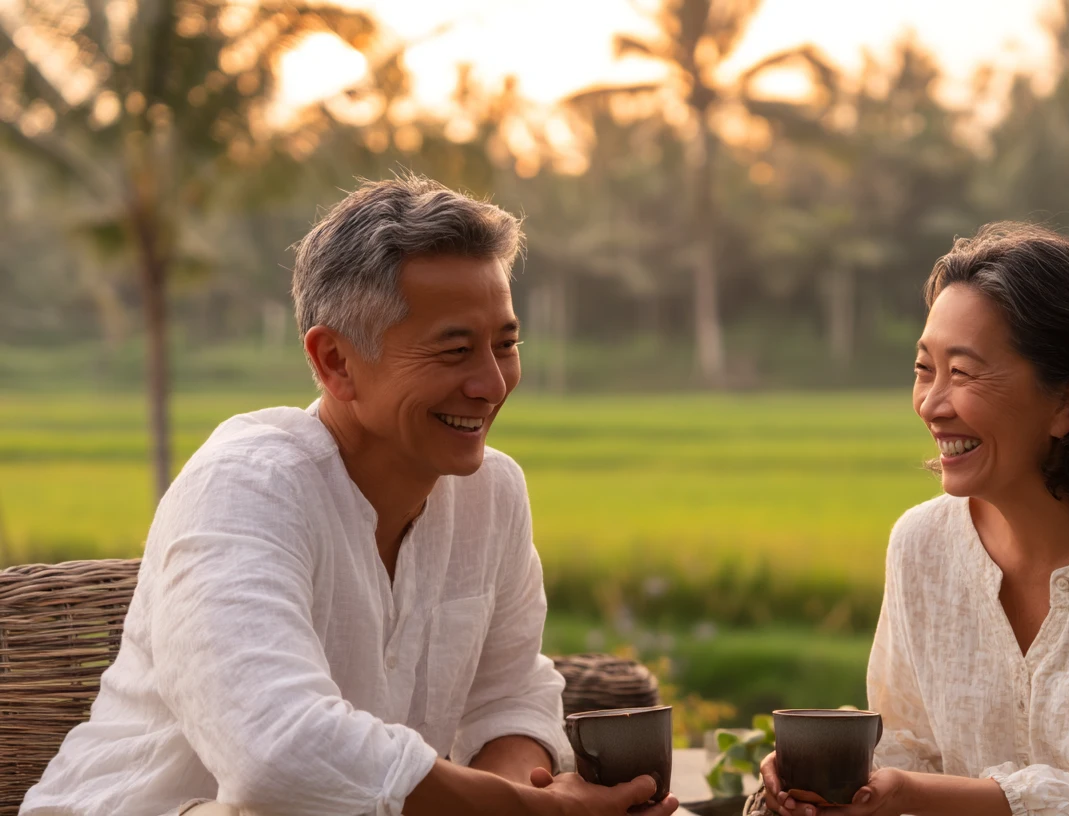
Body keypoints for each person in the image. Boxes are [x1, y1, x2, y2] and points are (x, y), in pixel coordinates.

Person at [21, 175, 677, 816]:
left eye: (505, 344)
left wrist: (517, 800)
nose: (492, 383)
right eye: (454, 351)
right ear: (335, 361)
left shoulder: (494, 495)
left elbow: (509, 698)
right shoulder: (244, 488)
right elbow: (275, 754)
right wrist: (523, 810)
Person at [760, 223, 1069, 816]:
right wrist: (837, 779)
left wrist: (924, 794)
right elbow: (907, 750)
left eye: (963, 372)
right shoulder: (921, 545)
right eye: (924, 369)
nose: (931, 404)